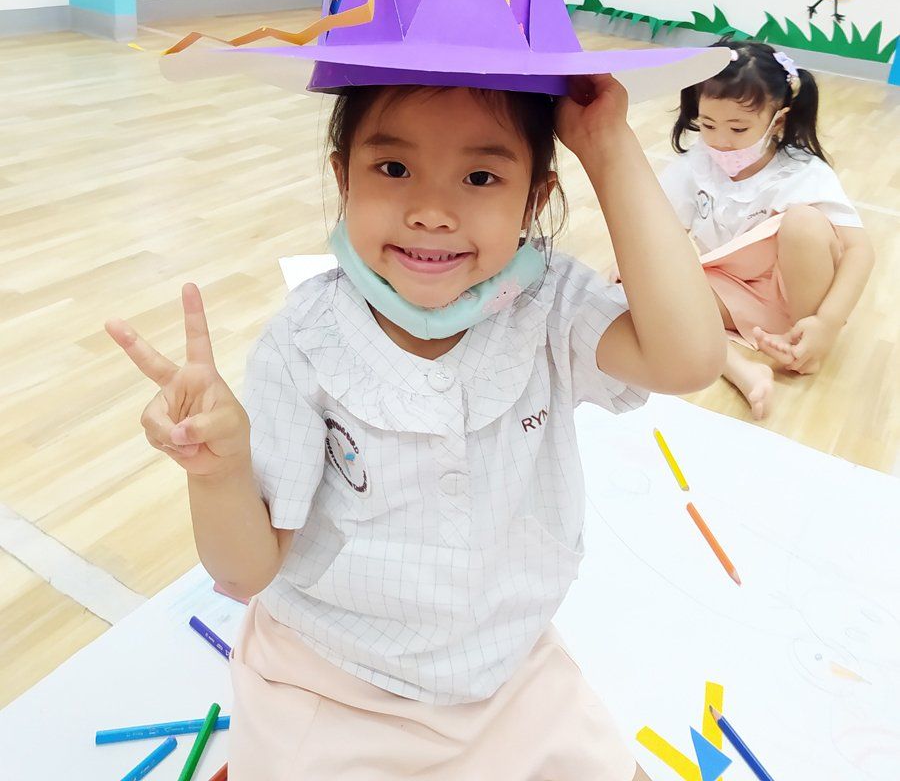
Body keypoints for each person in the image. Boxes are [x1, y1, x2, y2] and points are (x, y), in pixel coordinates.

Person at [106, 77, 724, 780]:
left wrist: (607, 146)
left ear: (536, 200)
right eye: (393, 169)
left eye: (481, 176)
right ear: (343, 177)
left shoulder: (548, 304)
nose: (432, 211)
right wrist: (217, 470)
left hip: (508, 673)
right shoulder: (306, 340)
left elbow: (690, 358)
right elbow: (247, 569)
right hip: (332, 683)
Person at [660, 39, 874, 418]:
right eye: (708, 124)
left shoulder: (801, 172)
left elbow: (860, 251)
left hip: (795, 295)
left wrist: (825, 324)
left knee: (803, 222)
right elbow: (664, 234)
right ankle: (741, 370)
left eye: (739, 128)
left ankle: (803, 345)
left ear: (778, 121)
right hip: (729, 291)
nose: (721, 142)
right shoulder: (696, 165)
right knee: (647, 296)